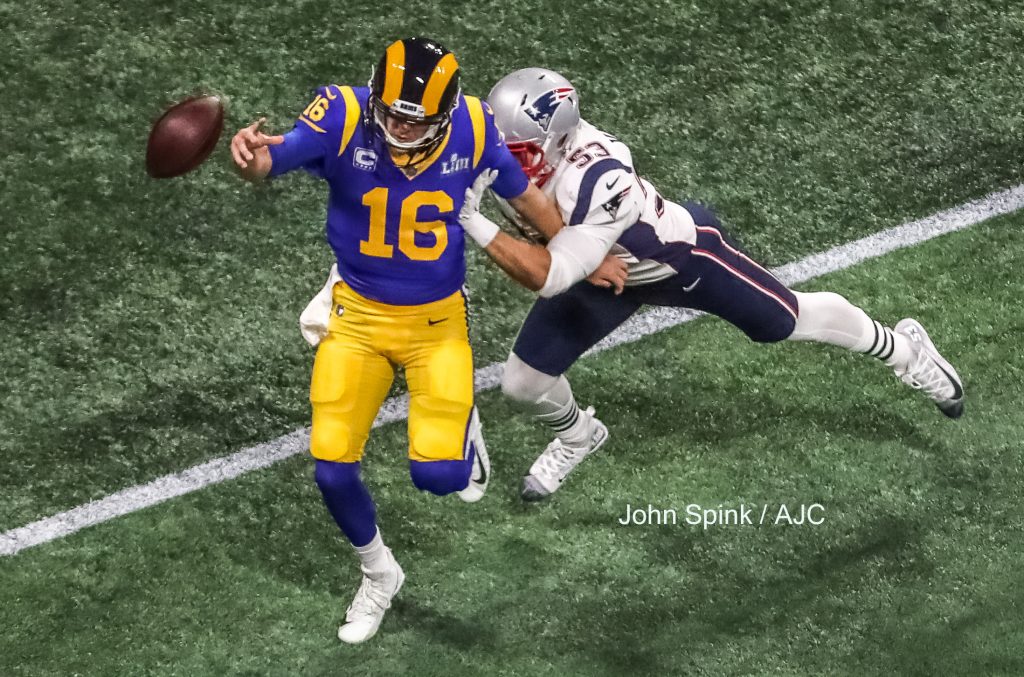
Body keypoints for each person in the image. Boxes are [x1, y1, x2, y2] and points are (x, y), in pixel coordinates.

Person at [454, 67, 965, 501]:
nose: (503, 157)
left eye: (517, 149)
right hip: (601, 270)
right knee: (523, 384)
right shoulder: (504, 141)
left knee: (786, 321)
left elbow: (550, 275)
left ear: (558, 138)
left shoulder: (599, 174)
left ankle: (905, 350)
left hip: (676, 260)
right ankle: (579, 436)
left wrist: (474, 220)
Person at [229, 39, 564, 644]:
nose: (399, 126)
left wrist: (575, 253)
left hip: (435, 324)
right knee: (331, 470)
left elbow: (527, 196)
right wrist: (250, 158)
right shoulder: (345, 113)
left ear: (445, 112)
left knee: (439, 478)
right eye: (393, 111)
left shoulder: (476, 127)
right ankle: (379, 574)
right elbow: (273, 160)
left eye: (416, 117)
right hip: (356, 317)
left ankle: (462, 429)